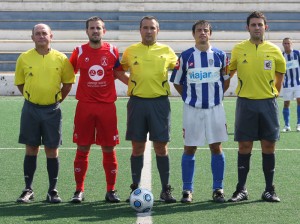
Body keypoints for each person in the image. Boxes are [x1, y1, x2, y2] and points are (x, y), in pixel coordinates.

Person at [227, 11, 286, 203]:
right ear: (247, 28)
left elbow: (280, 76)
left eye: (260, 24)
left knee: (268, 145)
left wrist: (273, 93)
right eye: (253, 25)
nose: (257, 28)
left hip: (268, 103)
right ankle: (241, 189)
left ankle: (269, 189)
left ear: (265, 27)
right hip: (245, 103)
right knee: (245, 146)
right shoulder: (238, 49)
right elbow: (229, 72)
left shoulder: (274, 50)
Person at [69, 16, 128, 203]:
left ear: (104, 31)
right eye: (92, 28)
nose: (95, 31)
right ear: (86, 31)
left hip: (107, 107)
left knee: (109, 148)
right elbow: (67, 73)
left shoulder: (112, 50)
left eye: (98, 28)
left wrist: (136, 86)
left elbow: (118, 72)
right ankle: (79, 190)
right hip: (85, 106)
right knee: (82, 148)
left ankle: (111, 190)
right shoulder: (78, 51)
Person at [14, 24, 75, 203]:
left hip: (52, 110)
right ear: (32, 37)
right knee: (31, 148)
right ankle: (28, 189)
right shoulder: (24, 58)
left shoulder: (61, 59)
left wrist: (55, 101)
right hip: (30, 109)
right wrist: (32, 96)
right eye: (37, 34)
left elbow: (68, 84)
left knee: (52, 149)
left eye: (44, 33)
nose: (41, 36)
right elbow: (20, 84)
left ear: (51, 36)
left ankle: (52, 191)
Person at [170, 20, 229, 203]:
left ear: (210, 33)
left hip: (215, 109)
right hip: (192, 109)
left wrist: (215, 97)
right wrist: (190, 98)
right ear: (193, 34)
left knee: (216, 147)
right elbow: (177, 82)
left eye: (205, 30)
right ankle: (187, 190)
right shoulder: (186, 56)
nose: (202, 33)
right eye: (199, 30)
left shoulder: (221, 55)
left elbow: (225, 81)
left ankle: (218, 188)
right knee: (190, 147)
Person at [120, 16, 178, 203]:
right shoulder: (130, 51)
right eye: (145, 28)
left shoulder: (167, 51)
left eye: (152, 28)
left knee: (161, 147)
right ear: (140, 30)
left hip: (159, 103)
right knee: (137, 147)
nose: (148, 31)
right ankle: (135, 187)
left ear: (157, 30)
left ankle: (165, 189)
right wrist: (133, 84)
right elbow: (118, 70)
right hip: (137, 102)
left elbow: (179, 70)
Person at [281, 37, 300, 132]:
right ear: (282, 44)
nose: (286, 45)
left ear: (291, 44)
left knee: (299, 101)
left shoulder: (297, 53)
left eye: (288, 43)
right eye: (285, 43)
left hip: (298, 82)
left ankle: (299, 124)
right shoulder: (281, 55)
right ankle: (287, 125)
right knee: (286, 103)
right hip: (287, 84)